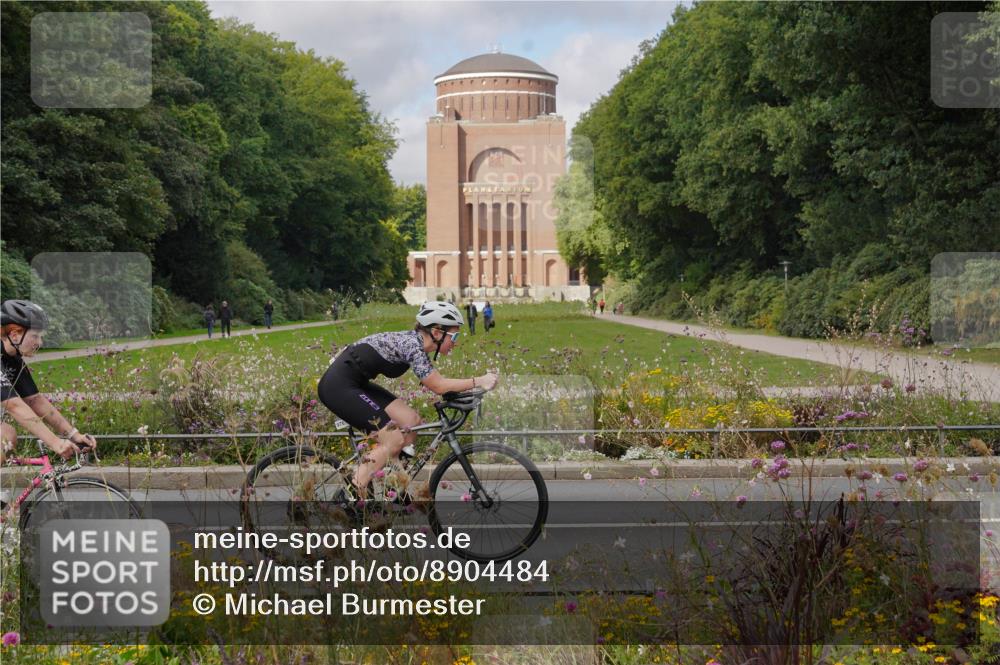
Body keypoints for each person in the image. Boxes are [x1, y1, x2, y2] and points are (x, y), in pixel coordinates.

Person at [317, 301, 497, 497]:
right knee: (393, 439)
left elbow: (439, 384)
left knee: (412, 422)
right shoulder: (412, 346)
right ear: (437, 333)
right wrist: (479, 380)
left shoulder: (417, 345)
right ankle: (351, 495)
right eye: (454, 335)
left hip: (356, 383)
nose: (456, 341)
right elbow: (439, 385)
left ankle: (393, 486)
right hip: (338, 387)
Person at [1, 300, 97, 465]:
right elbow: (14, 406)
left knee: (6, 437)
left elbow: (34, 400)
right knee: (6, 435)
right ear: (15, 334)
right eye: (35, 336)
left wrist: (74, 435)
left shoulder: (12, 359)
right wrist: (55, 442)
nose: (40, 343)